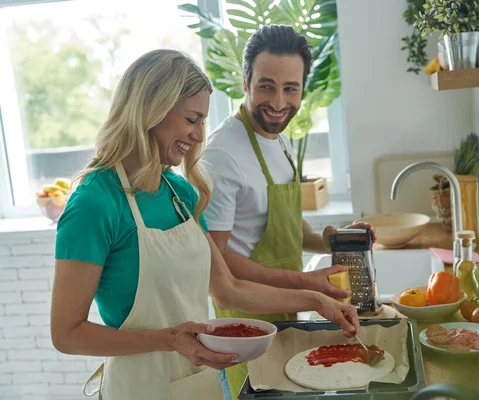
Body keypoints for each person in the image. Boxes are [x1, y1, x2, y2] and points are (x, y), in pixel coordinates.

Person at [50, 49, 359, 400]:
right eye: (191, 119)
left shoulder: (179, 192)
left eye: (202, 122)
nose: (198, 136)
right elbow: (66, 333)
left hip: (199, 384)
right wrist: (167, 340)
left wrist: (316, 300)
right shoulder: (94, 203)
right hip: (138, 388)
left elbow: (227, 290)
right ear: (150, 111)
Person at [201, 25, 375, 398]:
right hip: (245, 326)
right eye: (266, 86)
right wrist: (307, 285)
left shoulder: (277, 141)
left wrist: (330, 240)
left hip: (285, 315)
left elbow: (284, 226)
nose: (278, 102)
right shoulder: (223, 154)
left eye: (290, 88)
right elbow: (218, 261)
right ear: (245, 80)